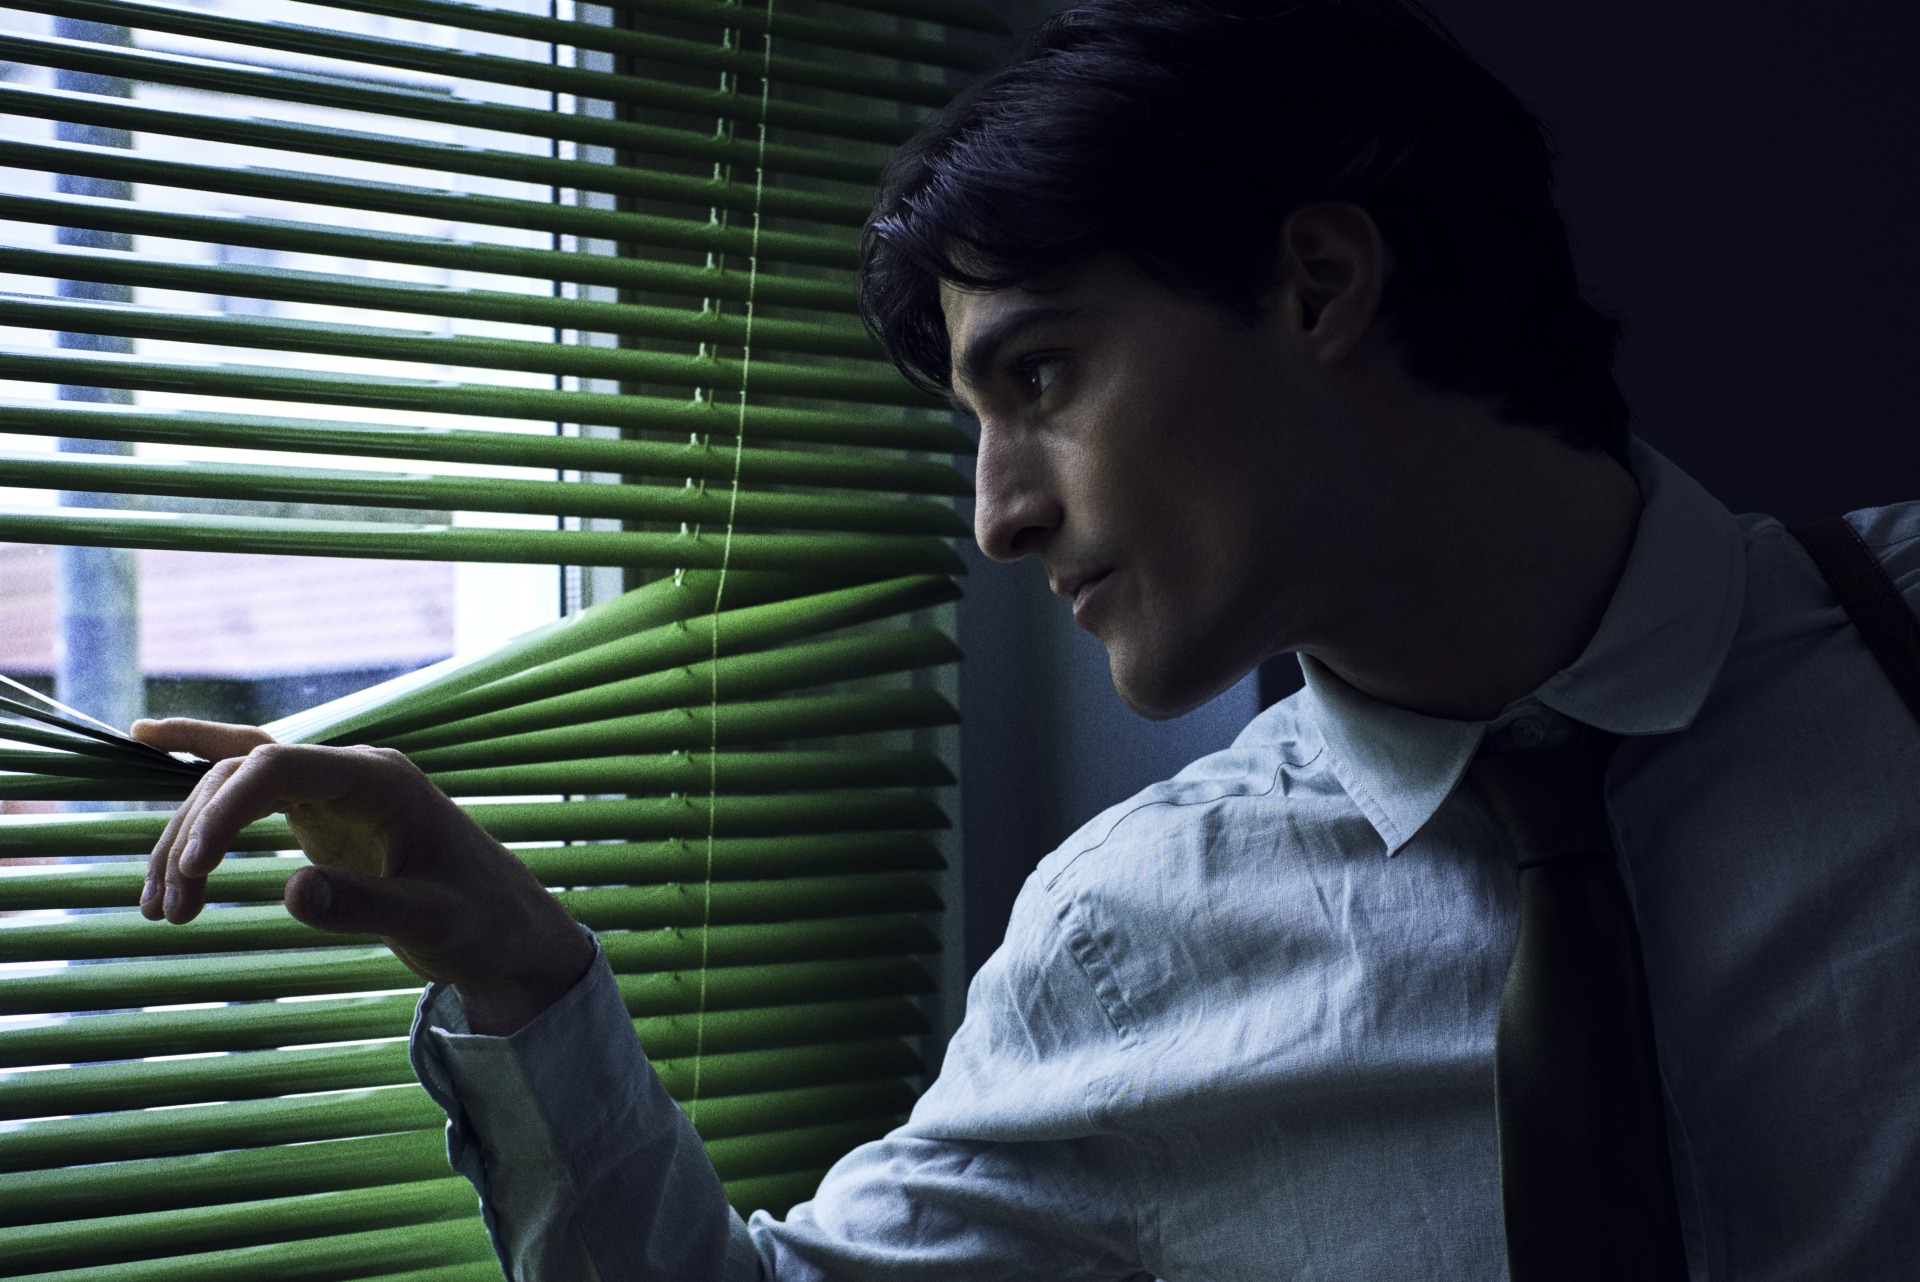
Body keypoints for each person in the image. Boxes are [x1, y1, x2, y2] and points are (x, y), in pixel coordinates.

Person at [135, 0, 1920, 1276]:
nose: (997, 517)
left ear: (1317, 284)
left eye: (1043, 376)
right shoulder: (1128, 937)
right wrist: (525, 978)